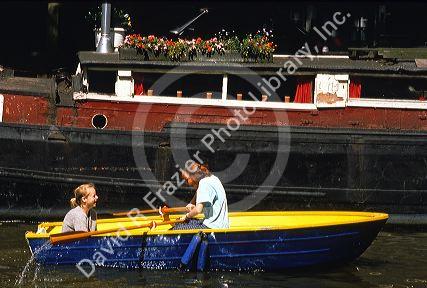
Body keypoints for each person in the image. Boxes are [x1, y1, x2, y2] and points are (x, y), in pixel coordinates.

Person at [173, 162, 229, 230]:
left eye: (187, 180)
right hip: (222, 224)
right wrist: (191, 203)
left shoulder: (204, 183)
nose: (187, 183)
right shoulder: (213, 178)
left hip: (212, 227)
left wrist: (186, 216)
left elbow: (198, 210)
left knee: (177, 227)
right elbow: (199, 191)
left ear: (192, 176)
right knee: (182, 222)